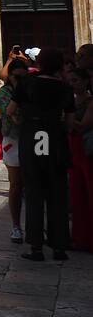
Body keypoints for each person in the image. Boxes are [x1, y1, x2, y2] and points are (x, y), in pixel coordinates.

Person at [8, 48, 74, 261]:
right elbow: (70, 123)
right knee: (58, 193)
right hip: (54, 138)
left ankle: (36, 246)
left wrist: (23, 120)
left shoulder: (27, 82)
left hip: (33, 137)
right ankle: (59, 246)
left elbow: (10, 111)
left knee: (34, 191)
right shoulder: (64, 88)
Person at [0, 59, 28, 243]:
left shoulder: (32, 89)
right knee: (16, 184)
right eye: (17, 77)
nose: (20, 80)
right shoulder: (3, 93)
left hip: (36, 139)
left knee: (39, 181)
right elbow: (13, 116)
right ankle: (16, 226)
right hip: (13, 139)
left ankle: (39, 225)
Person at [66, 67, 93, 252]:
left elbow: (84, 126)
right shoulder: (72, 101)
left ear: (85, 81)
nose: (72, 84)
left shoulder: (90, 102)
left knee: (90, 193)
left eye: (75, 80)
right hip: (74, 149)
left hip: (87, 150)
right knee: (76, 195)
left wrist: (66, 118)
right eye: (71, 80)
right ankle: (79, 237)